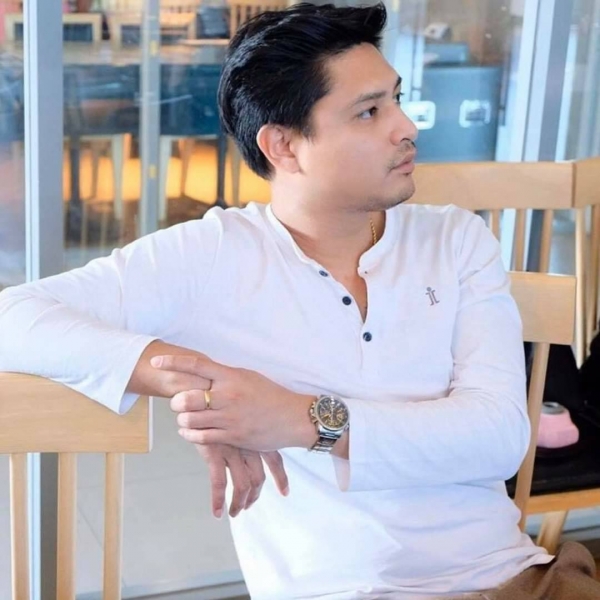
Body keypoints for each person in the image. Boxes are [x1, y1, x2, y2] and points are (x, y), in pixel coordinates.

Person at [1, 4, 599, 599]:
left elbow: (499, 437)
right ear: (283, 146)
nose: (406, 126)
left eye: (396, 99)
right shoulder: (214, 254)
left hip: (517, 578)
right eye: (369, 111)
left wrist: (303, 418)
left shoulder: (456, 239)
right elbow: (13, 318)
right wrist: (201, 387)